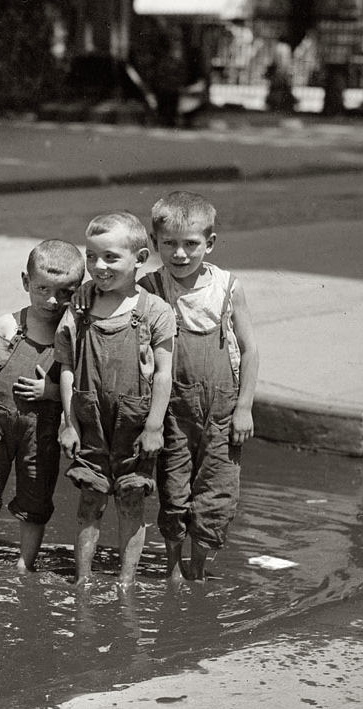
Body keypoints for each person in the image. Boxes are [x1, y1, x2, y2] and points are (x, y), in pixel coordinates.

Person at [142, 191, 259, 582]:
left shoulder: (227, 287)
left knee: (217, 490)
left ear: (209, 244)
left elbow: (250, 349)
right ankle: (173, 569)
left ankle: (199, 567)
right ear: (154, 242)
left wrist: (244, 407)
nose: (179, 254)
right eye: (168, 244)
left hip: (223, 412)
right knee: (174, 490)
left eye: (190, 244)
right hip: (173, 410)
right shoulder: (151, 289)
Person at [56, 212, 175, 589]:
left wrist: (154, 425)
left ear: (139, 259)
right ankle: (83, 580)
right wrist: (68, 421)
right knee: (90, 502)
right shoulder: (80, 305)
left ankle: (126, 581)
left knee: (131, 500)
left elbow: (163, 374)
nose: (98, 266)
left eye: (110, 257)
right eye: (91, 256)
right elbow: (68, 368)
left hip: (135, 426)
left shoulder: (155, 311)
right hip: (90, 422)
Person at [0, 240, 85, 571]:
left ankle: (24, 564)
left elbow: (81, 387)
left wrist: (52, 390)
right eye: (42, 288)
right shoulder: (7, 326)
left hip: (40, 433)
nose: (52, 300)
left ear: (77, 291)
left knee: (36, 497)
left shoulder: (73, 334)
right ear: (25, 282)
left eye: (64, 293)